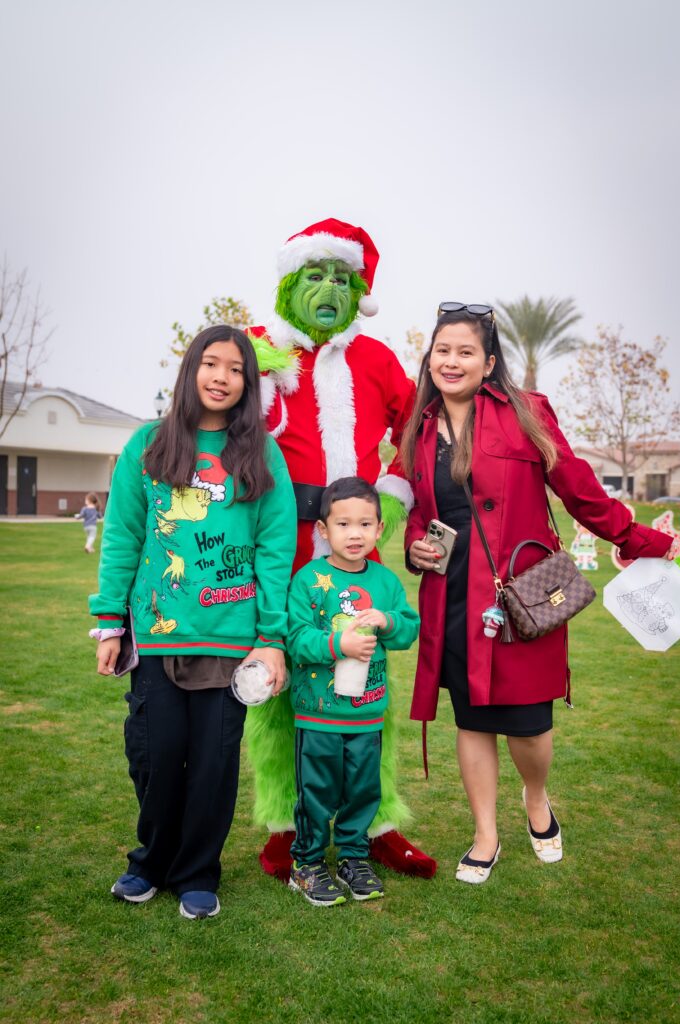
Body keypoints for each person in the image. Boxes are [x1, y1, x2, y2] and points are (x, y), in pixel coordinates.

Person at [401, 304, 675, 884]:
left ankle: (536, 797)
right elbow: (424, 514)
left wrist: (640, 539)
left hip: (521, 596)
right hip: (453, 599)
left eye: (465, 351)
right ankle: (485, 833)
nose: (451, 362)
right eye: (442, 351)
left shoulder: (527, 413)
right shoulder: (420, 427)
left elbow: (580, 490)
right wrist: (414, 547)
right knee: (471, 722)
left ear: (489, 361)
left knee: (529, 727)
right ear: (430, 359)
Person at [244, 218, 437, 881]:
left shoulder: (377, 358)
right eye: (315, 275)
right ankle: (283, 823)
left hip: (358, 549)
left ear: (358, 290)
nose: (328, 289)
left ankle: (376, 821)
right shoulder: (259, 351)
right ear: (291, 282)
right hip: (280, 551)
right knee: (276, 690)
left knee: (366, 688)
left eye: (341, 277)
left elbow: (419, 430)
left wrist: (390, 497)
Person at [88, 325, 296, 918]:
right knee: (154, 753)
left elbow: (274, 548)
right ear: (191, 370)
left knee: (212, 763)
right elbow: (123, 538)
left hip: (231, 641)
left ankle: (200, 870)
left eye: (235, 369)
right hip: (157, 636)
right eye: (211, 364)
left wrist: (271, 638)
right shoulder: (148, 446)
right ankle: (150, 861)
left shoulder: (259, 454)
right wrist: (109, 622)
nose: (222, 377)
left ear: (248, 382)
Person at [287, 477, 420, 906]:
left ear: (380, 529)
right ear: (324, 530)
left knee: (364, 790)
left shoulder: (384, 582)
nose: (355, 533)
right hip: (319, 712)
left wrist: (388, 622)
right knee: (318, 792)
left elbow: (407, 630)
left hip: (367, 712)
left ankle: (353, 857)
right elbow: (295, 638)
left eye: (365, 524)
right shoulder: (310, 579)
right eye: (343, 524)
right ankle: (306, 864)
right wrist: (336, 644)